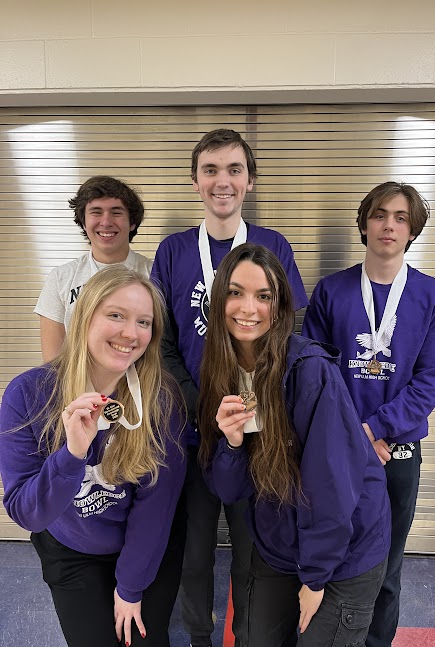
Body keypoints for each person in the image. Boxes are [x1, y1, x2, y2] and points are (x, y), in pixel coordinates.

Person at [151, 129, 308, 647]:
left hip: (256, 436)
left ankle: (243, 635)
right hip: (193, 435)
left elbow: (287, 331)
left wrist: (251, 407)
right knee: (195, 551)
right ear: (195, 181)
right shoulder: (173, 251)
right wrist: (203, 408)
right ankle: (199, 636)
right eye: (212, 170)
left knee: (250, 550)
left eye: (234, 170)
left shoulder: (274, 246)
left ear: (250, 180)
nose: (223, 181)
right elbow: (161, 344)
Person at [197, 243, 390, 647]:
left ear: (280, 305)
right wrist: (232, 444)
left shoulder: (309, 372)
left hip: (343, 548)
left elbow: (332, 488)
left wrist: (316, 577)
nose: (249, 308)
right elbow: (230, 490)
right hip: (280, 542)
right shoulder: (219, 370)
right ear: (218, 301)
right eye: (235, 293)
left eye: (263, 296)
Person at [302, 182, 435, 647]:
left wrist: (375, 429)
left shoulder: (434, 297)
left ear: (412, 230)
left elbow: (430, 381)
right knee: (328, 556)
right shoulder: (332, 291)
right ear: (365, 223)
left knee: (386, 567)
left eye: (401, 218)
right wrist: (353, 434)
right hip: (334, 450)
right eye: (380, 214)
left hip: (397, 452)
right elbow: (316, 370)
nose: (389, 224)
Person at [0, 266, 186, 647]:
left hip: (144, 544)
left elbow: (157, 505)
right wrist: (72, 454)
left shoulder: (161, 399)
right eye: (115, 315)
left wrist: (131, 588)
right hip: (71, 549)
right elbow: (27, 513)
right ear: (84, 317)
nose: (130, 333)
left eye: (144, 322)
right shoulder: (28, 396)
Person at [35, 175, 152, 362]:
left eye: (116, 212)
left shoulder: (155, 274)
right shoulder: (60, 278)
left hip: (140, 386)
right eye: (96, 212)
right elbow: (52, 361)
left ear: (132, 223)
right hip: (80, 388)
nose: (106, 222)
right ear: (83, 222)